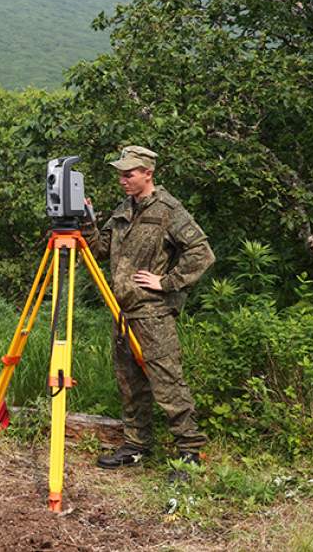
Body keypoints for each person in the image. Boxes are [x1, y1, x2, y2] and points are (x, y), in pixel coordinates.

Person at [82, 146, 215, 483]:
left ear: (148, 173)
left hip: (153, 313)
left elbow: (202, 252)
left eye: (129, 173)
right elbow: (99, 250)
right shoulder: (124, 209)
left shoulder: (169, 210)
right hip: (123, 311)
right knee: (129, 384)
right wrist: (87, 222)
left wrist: (167, 282)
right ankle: (136, 445)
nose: (122, 179)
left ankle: (189, 453)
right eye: (121, 173)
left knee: (167, 383)